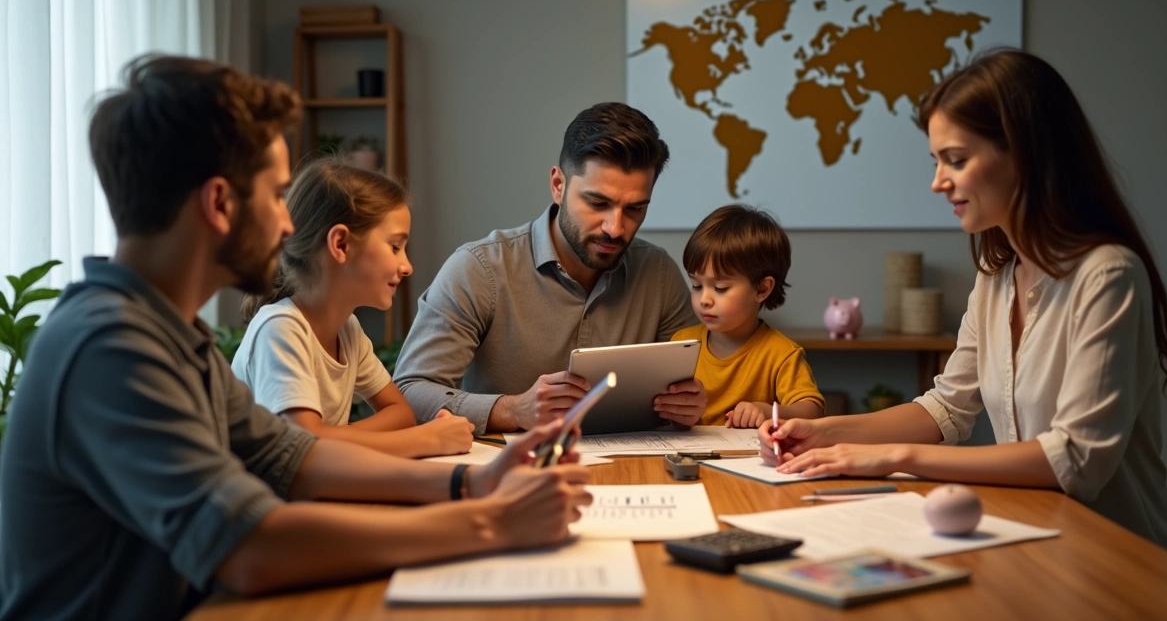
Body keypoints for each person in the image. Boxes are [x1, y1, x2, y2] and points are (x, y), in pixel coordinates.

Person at [0, 55, 591, 621]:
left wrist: (472, 481)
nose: (288, 224)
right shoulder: (109, 350)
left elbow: (294, 457)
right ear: (220, 203)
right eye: (278, 195)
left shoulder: (172, 335)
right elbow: (250, 547)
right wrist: (491, 523)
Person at [758, 49, 1167, 552]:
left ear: (1025, 153)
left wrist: (894, 456)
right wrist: (824, 434)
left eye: (955, 160)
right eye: (937, 161)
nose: (938, 182)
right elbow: (947, 407)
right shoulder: (997, 275)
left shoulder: (1108, 276)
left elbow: (1075, 462)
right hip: (1037, 540)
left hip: (1118, 562)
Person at [394, 102, 706, 433]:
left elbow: (693, 382)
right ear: (558, 185)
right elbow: (409, 392)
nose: (615, 228)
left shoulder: (658, 273)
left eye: (634, 209)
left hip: (633, 471)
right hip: (510, 475)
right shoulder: (478, 269)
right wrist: (511, 410)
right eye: (597, 203)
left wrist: (689, 404)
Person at [232, 158, 474, 458]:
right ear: (341, 244)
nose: (407, 266)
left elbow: (400, 413)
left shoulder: (347, 330)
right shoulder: (280, 329)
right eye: (395, 247)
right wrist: (429, 440)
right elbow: (302, 448)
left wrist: (328, 438)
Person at [672, 204, 825, 427]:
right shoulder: (681, 344)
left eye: (721, 288)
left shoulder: (781, 353)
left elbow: (813, 412)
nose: (704, 299)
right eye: (696, 285)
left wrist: (768, 411)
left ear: (762, 289)